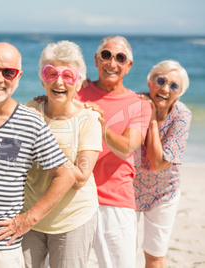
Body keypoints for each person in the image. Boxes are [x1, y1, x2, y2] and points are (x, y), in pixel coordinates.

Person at [0, 42, 76, 268]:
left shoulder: (30, 122)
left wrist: (27, 221)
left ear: (18, 76)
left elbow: (66, 175)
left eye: (8, 72)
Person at [21, 40, 102, 268]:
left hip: (73, 220)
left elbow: (80, 178)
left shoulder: (88, 119)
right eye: (51, 73)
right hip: (31, 216)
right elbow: (12, 160)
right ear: (42, 79)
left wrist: (44, 138)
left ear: (79, 83)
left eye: (68, 75)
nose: (59, 81)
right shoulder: (31, 109)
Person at [75, 36, 152, 268]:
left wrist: (101, 124)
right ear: (97, 60)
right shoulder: (77, 92)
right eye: (106, 56)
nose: (112, 63)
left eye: (120, 58)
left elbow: (127, 147)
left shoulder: (140, 104)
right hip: (73, 195)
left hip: (115, 200)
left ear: (129, 67)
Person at [134, 60, 191, 268]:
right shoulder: (135, 102)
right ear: (150, 82)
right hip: (128, 190)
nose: (165, 89)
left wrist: (151, 121)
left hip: (163, 193)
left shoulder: (182, 115)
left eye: (173, 86)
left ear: (180, 92)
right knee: (122, 252)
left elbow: (158, 163)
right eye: (161, 81)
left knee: (156, 255)